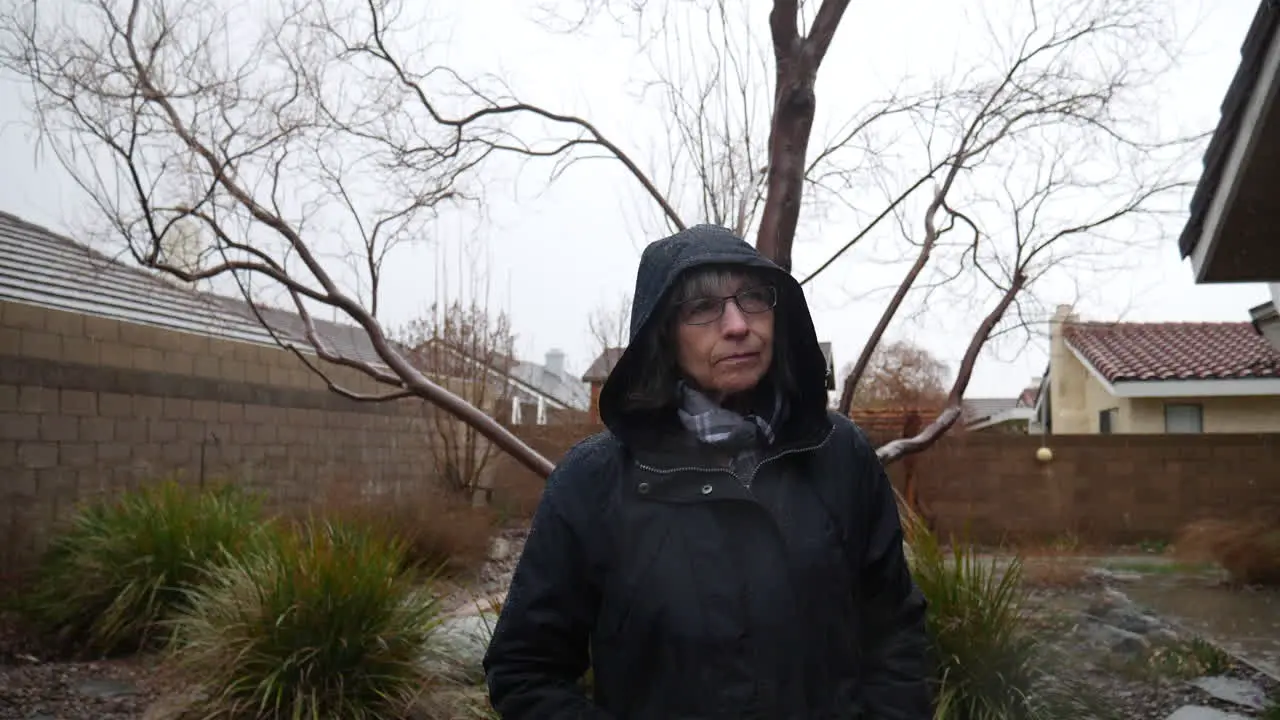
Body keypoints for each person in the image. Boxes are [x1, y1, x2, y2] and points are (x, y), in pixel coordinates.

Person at [482, 224, 931, 719]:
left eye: (752, 298)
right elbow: (525, 669)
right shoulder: (593, 482)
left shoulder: (838, 452)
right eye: (702, 308)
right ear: (663, 336)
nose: (737, 324)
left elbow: (895, 634)